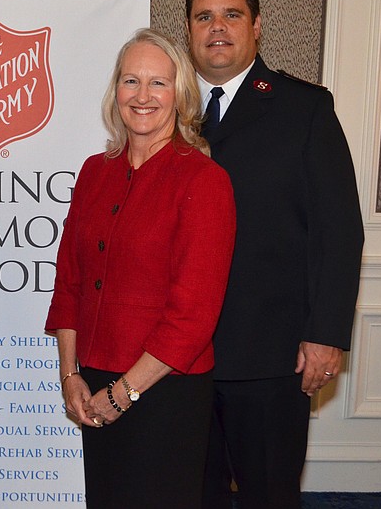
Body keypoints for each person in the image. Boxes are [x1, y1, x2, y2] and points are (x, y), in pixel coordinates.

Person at [184, 0, 365, 509]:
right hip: (177, 358)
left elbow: (338, 231)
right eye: (204, 16)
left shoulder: (303, 108)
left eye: (231, 14)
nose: (217, 27)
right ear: (189, 30)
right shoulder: (165, 110)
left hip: (270, 356)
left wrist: (326, 334)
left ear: (257, 25)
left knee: (269, 496)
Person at [45, 28, 237, 508]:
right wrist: (70, 375)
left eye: (158, 83)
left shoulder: (204, 180)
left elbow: (192, 317)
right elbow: (69, 280)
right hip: (93, 381)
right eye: (131, 81)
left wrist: (123, 394)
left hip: (164, 394)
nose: (143, 95)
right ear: (116, 93)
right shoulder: (95, 171)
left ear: (181, 95)